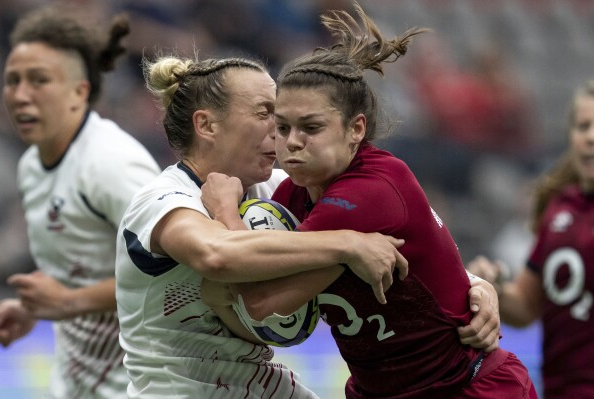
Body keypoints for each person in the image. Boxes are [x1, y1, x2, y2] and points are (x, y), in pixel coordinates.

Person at [114, 38, 499, 397]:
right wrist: (348, 244)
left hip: (262, 384)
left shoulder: (282, 188)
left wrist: (476, 286)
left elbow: (412, 241)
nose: (283, 134)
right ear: (207, 125)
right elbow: (218, 256)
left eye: (291, 120)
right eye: (269, 115)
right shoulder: (163, 200)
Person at [200, 2, 537, 398]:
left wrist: (224, 208)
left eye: (311, 127)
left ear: (355, 128)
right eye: (283, 127)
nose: (291, 143)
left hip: (465, 388)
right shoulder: (295, 192)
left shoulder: (368, 193)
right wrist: (476, 284)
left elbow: (262, 300)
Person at [0, 6, 161, 399]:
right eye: (12, 80)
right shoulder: (33, 165)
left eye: (39, 80)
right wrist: (35, 307)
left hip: (140, 387)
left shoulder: (112, 164)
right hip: (76, 385)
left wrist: (69, 301)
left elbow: (175, 274)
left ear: (79, 92)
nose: (20, 95)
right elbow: (82, 268)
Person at [467, 80, 594, 399]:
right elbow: (525, 306)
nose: (590, 137)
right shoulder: (559, 210)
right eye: (583, 126)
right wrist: (491, 283)